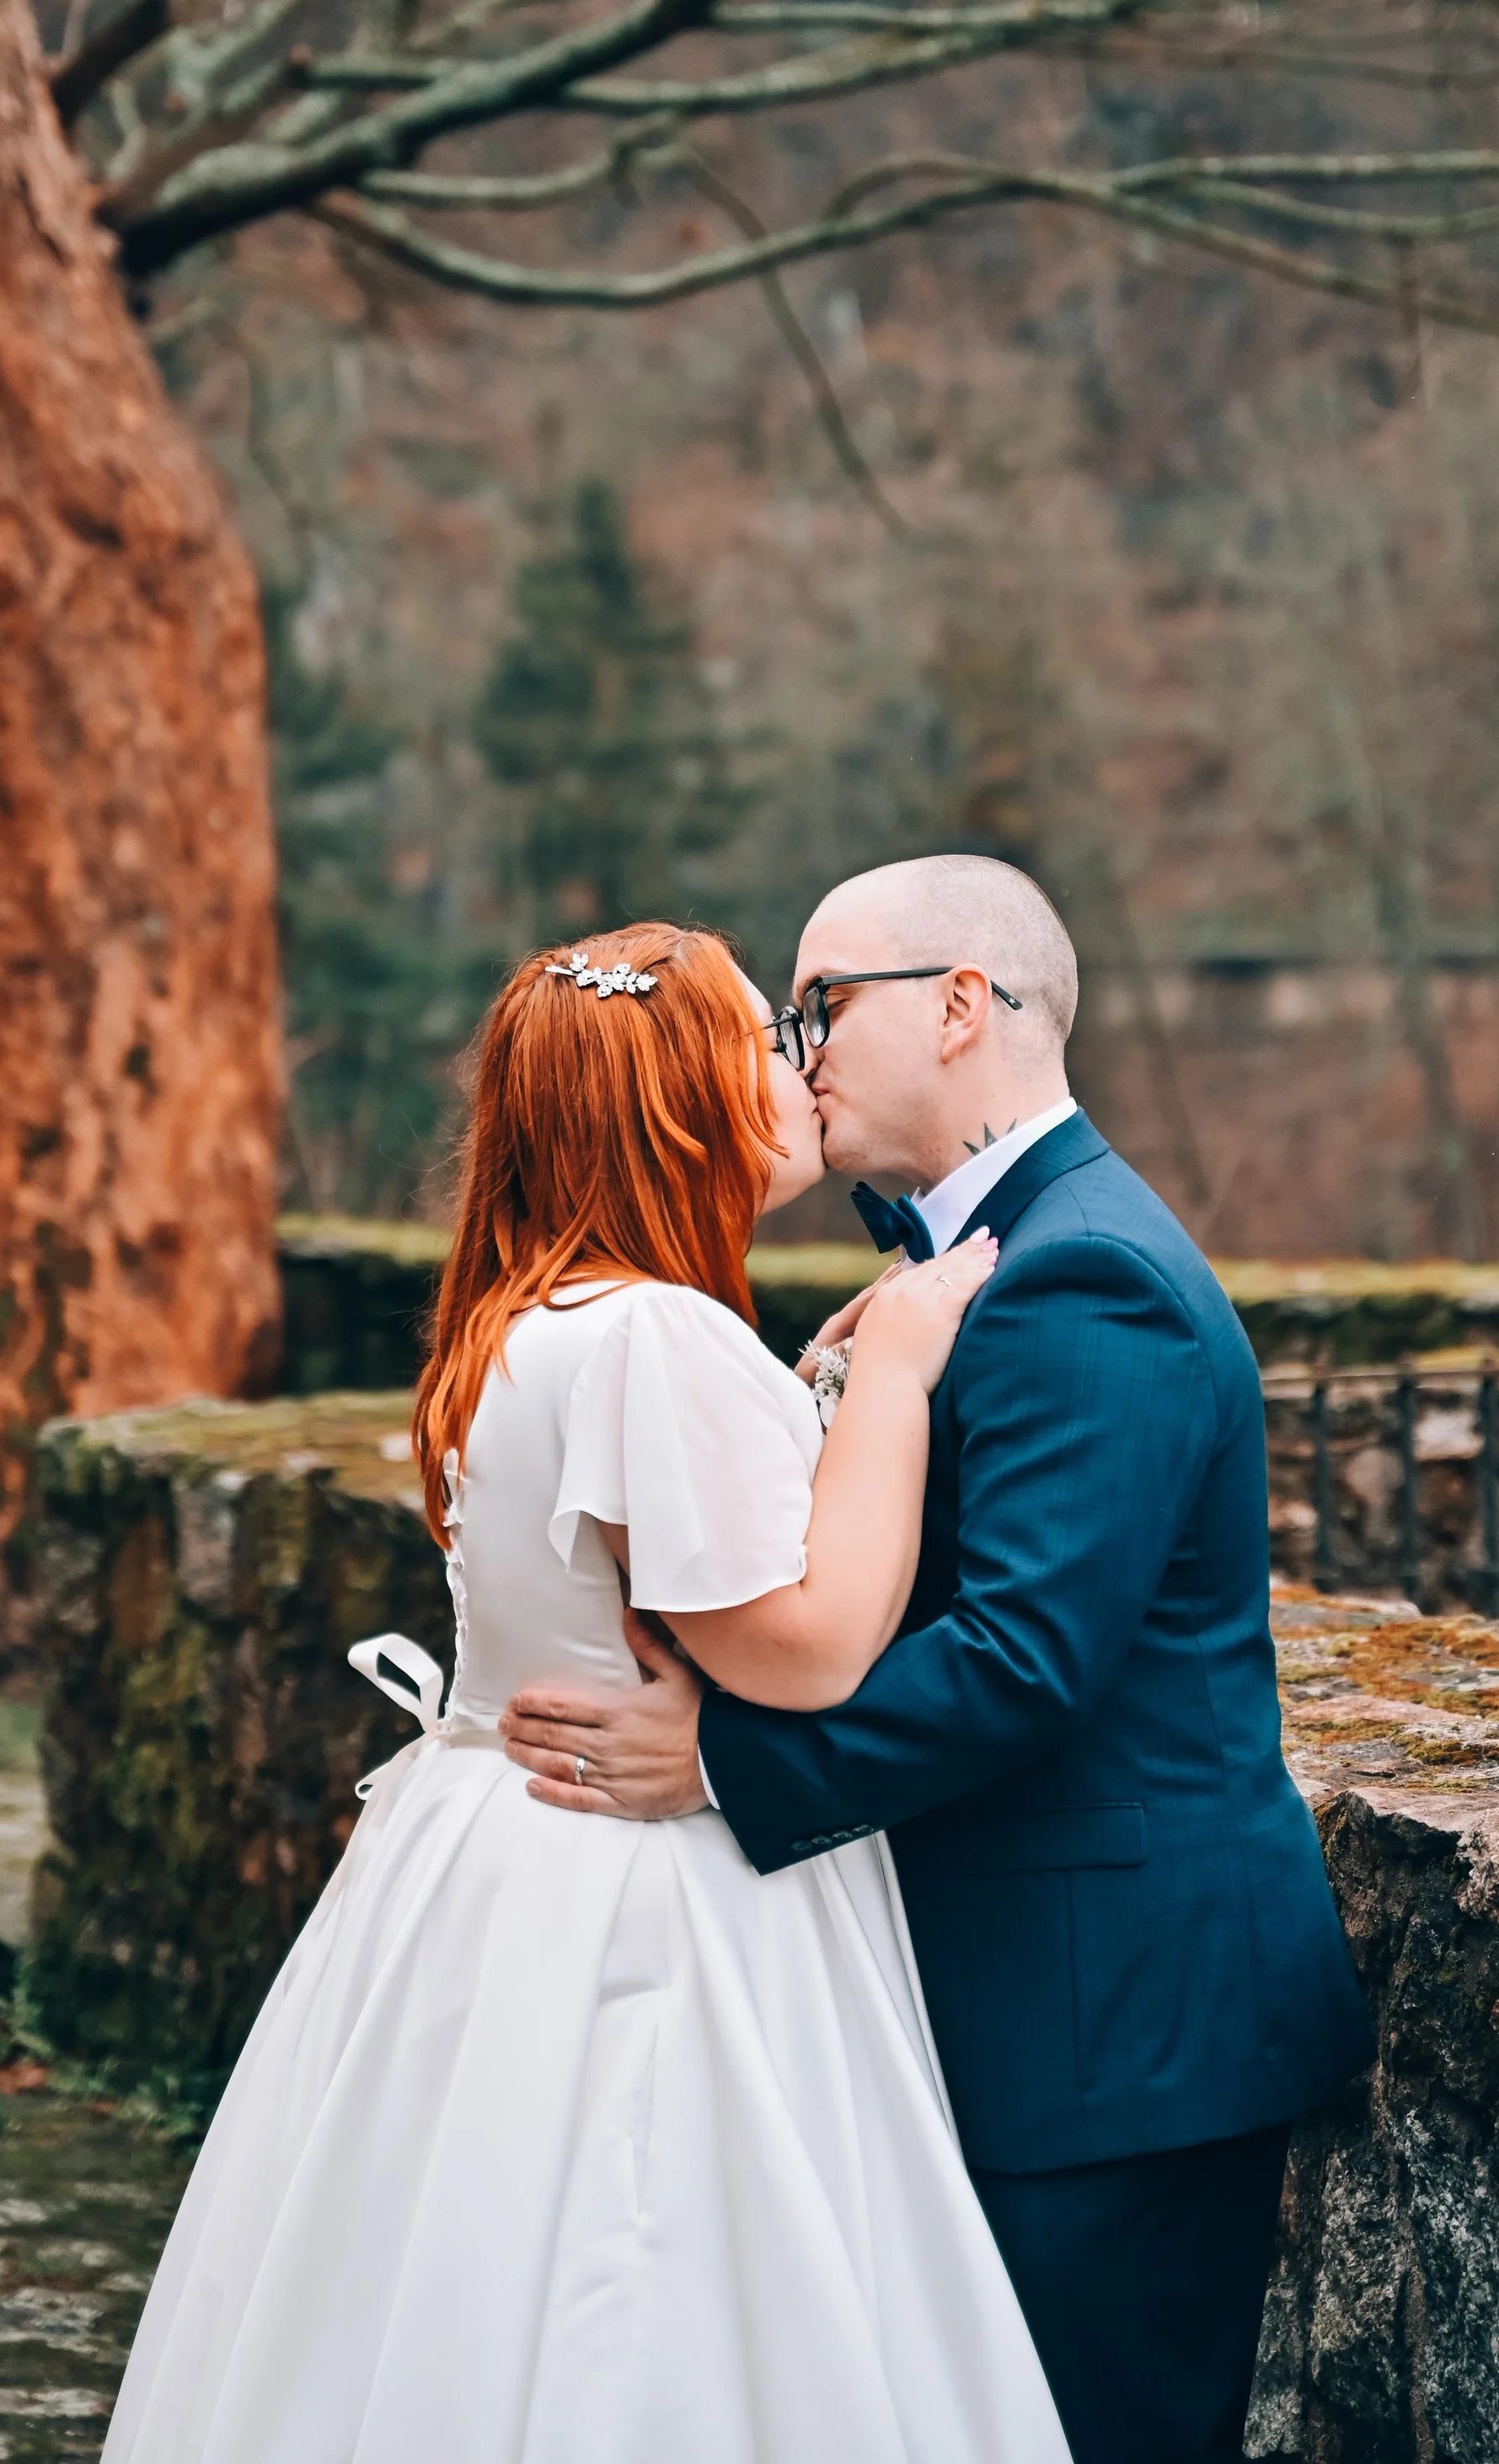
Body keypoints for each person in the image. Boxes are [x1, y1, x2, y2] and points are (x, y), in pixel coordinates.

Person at [102, 920, 1072, 2464]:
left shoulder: (529, 1319)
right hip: (641, 1893)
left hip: (492, 1851)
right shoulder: (658, 1337)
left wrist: (806, 1395)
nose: (797, 1061)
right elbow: (810, 1645)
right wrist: (890, 1376)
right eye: (762, 1037)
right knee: (644, 2275)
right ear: (679, 1104)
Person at [501, 856, 1375, 2464]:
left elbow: (1024, 1658)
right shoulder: (963, 1265)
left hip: (1113, 2029)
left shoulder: (1085, 1273)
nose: (798, 1044)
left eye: (822, 1004)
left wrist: (712, 1765)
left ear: (963, 1009)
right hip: (1018, 1999)